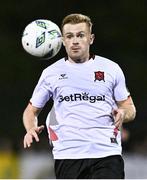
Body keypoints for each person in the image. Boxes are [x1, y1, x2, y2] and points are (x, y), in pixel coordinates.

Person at [23, 13, 136, 179]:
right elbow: (31, 111)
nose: (75, 41)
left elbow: (129, 108)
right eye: (69, 36)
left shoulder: (111, 69)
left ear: (91, 38)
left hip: (106, 153)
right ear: (63, 41)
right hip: (68, 156)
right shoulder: (50, 73)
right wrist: (30, 128)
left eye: (80, 35)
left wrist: (124, 113)